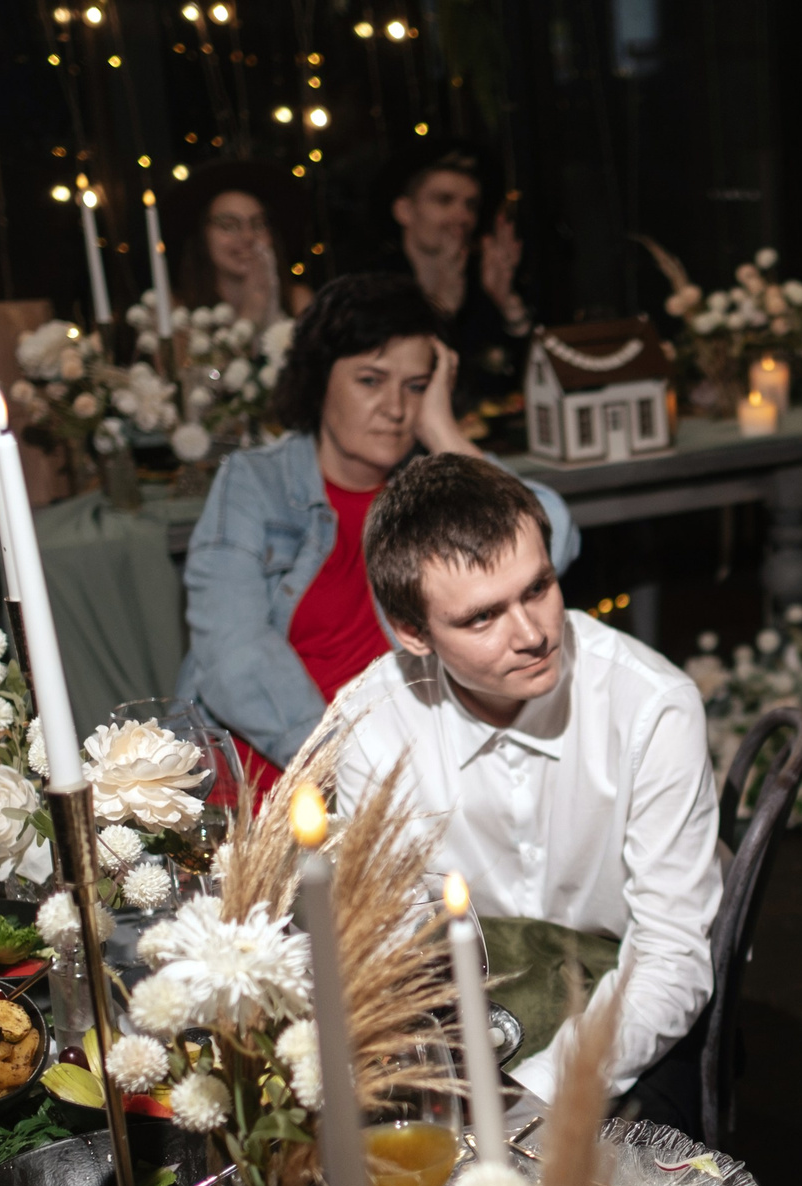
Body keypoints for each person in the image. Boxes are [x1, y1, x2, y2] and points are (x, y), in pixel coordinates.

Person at [324, 454, 718, 1114]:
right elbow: (387, 940)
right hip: (460, 1021)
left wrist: (533, 1093)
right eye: (482, 618)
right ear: (413, 632)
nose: (532, 634)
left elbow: (672, 955)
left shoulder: (651, 705)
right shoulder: (370, 723)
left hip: (628, 1007)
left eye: (538, 588)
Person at [177, 272, 578, 781]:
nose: (395, 409)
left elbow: (553, 537)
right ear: (321, 378)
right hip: (289, 768)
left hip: (418, 766)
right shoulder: (257, 482)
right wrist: (345, 769)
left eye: (415, 388)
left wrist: (441, 431)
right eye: (370, 380)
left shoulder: (431, 485)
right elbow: (233, 658)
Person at [381, 147, 534, 417]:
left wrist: (509, 305)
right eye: (444, 200)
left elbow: (517, 389)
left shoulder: (480, 282)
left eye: (470, 205)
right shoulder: (374, 289)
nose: (462, 217)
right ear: (404, 211)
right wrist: (440, 311)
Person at [167, 161, 314, 325]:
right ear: (203, 236)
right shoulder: (176, 312)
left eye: (258, 224)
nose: (248, 236)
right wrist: (251, 314)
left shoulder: (298, 301)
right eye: (229, 226)